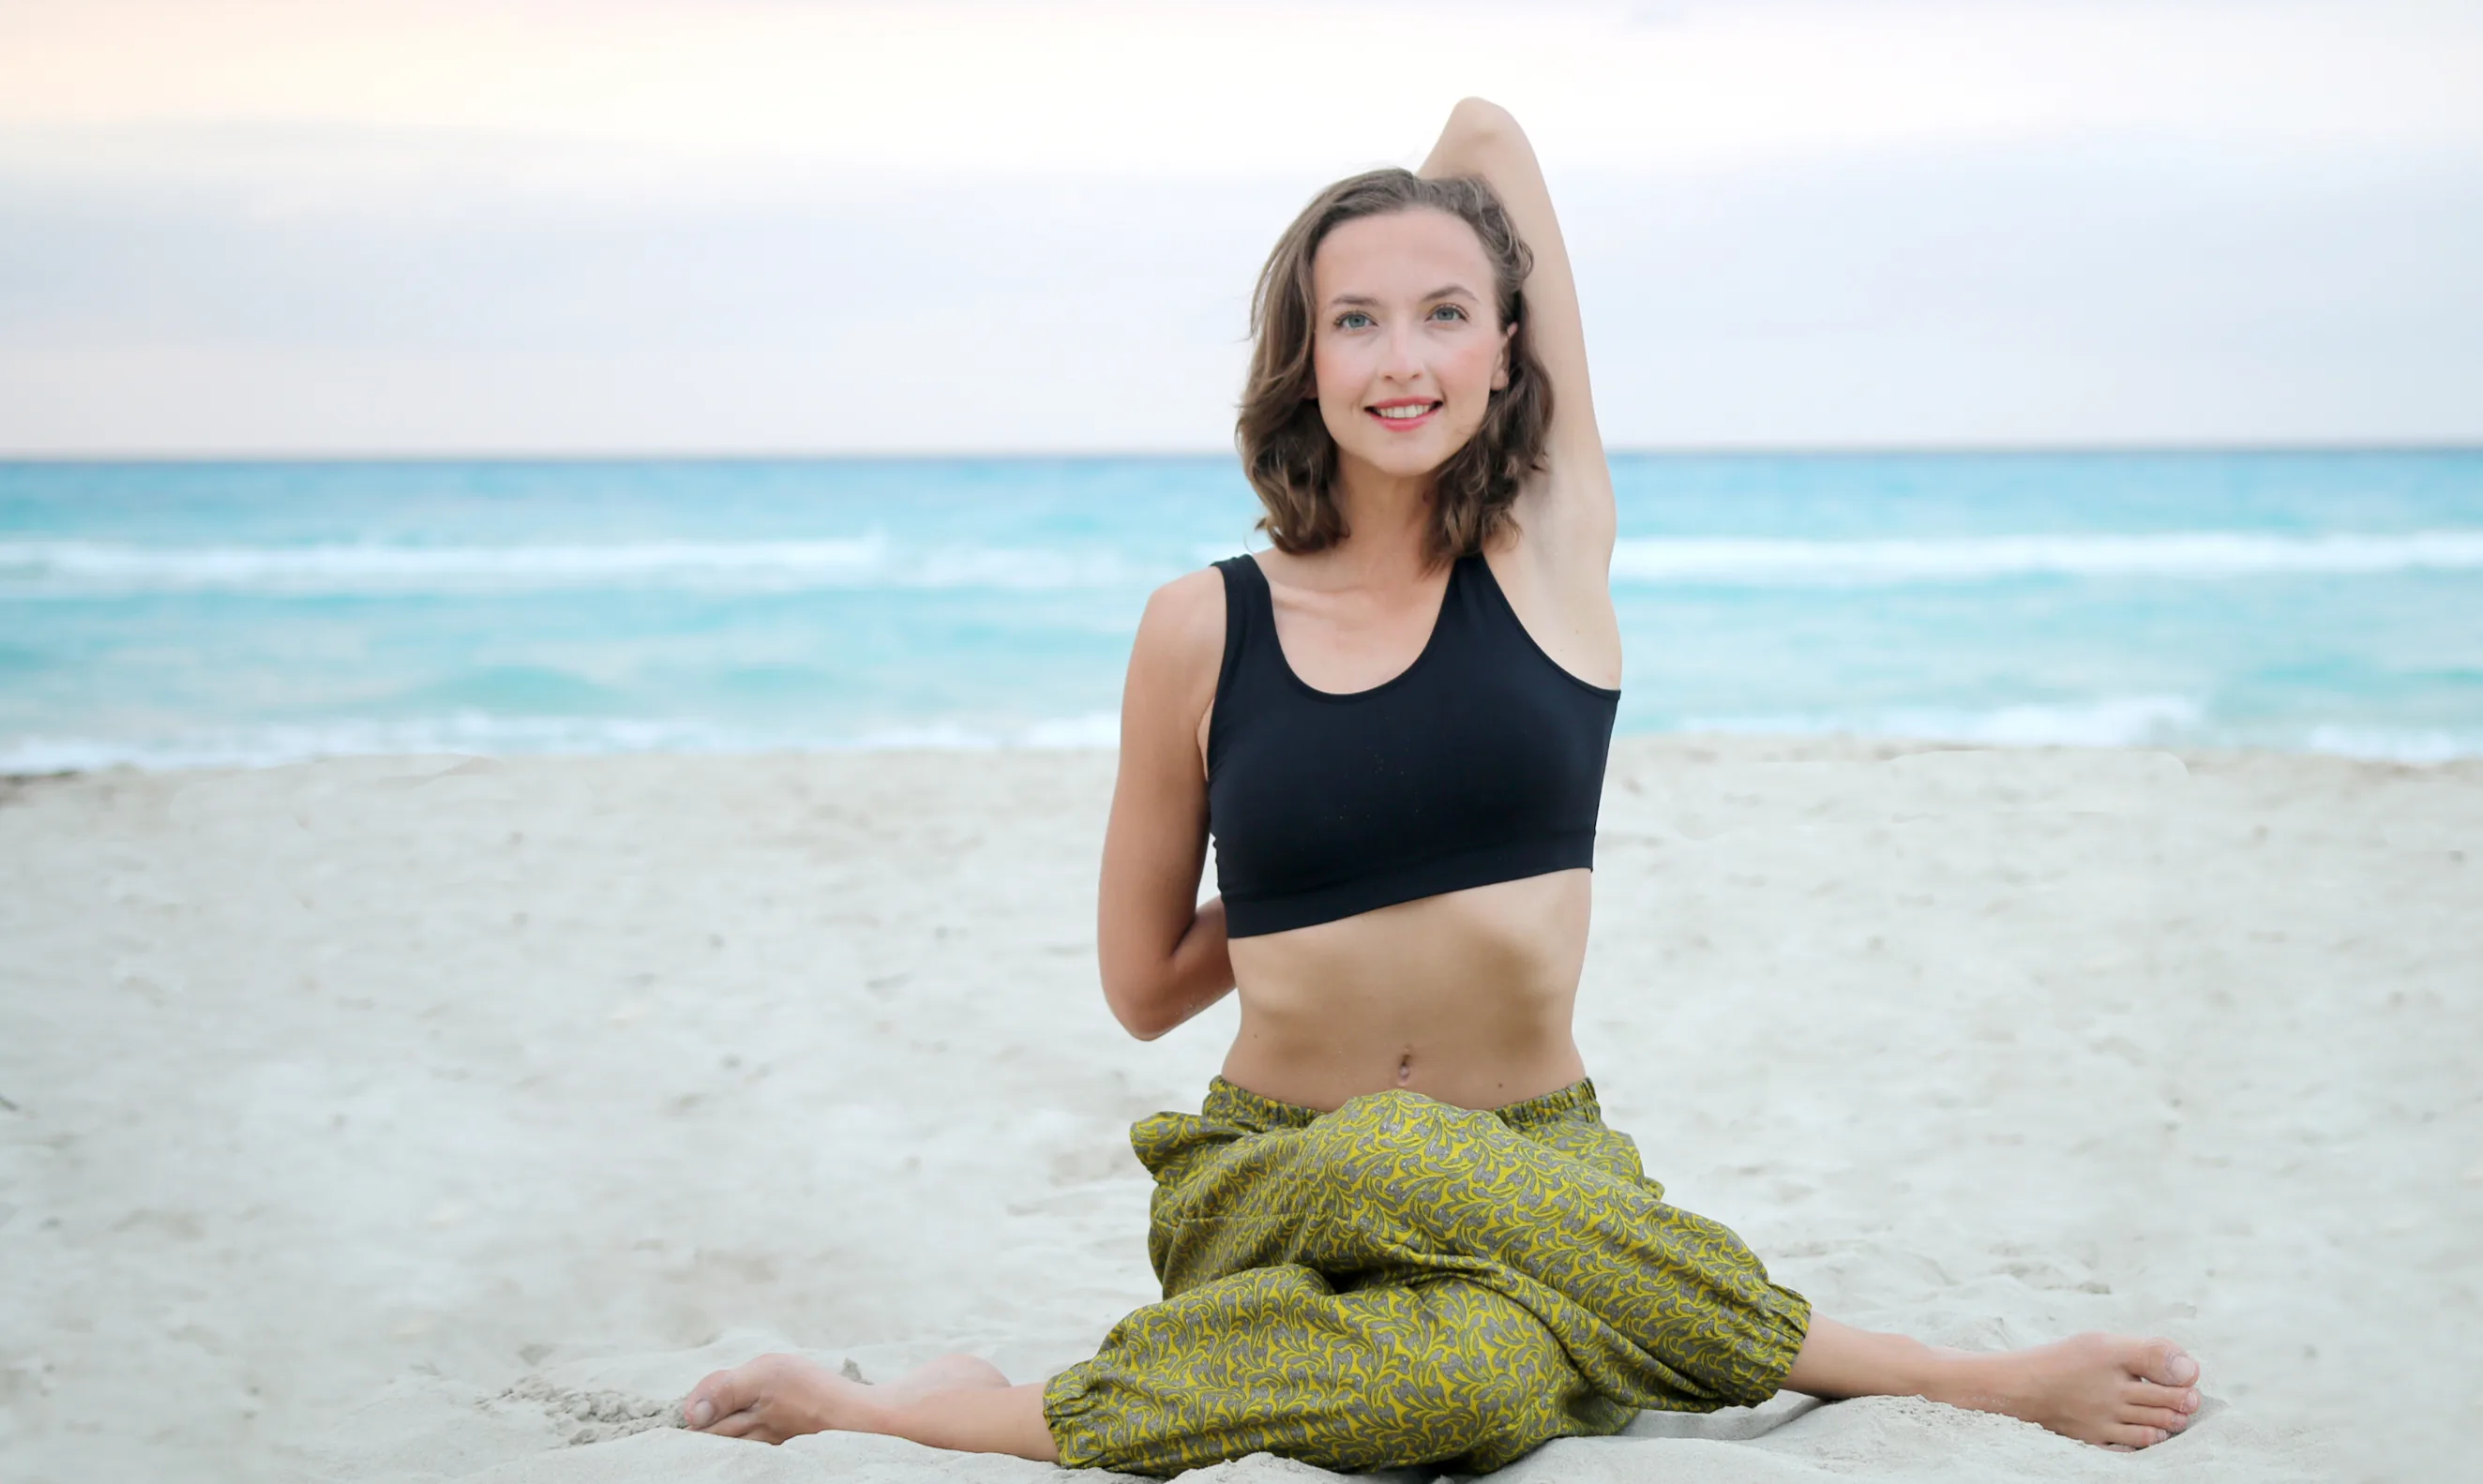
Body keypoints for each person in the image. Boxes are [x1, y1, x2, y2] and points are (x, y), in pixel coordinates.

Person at [676, 99, 2205, 1471]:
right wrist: (1310, 876)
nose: (1402, 358)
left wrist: (1432, 203)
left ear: (1506, 348)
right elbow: (1143, 992)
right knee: (1392, 1139)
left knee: (1468, 1389)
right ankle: (1962, 1376)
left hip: (1542, 1167)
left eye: (1444, 314)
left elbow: (1489, 133)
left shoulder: (1550, 549)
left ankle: (937, 1407)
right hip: (1273, 1174)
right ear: (1304, 356)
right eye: (1355, 319)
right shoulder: (1201, 624)